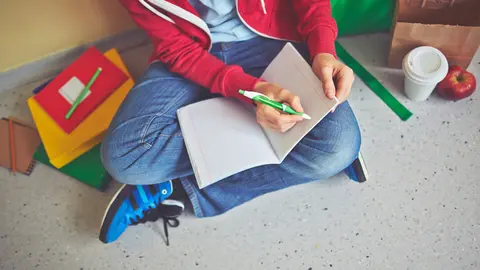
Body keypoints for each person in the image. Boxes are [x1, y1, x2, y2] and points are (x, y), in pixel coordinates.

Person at [98, 0, 362, 244]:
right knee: (124, 155)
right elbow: (176, 49)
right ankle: (300, 142)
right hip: (191, 51)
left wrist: (324, 49)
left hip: (272, 38)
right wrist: (249, 90)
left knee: (338, 148)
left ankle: (179, 186)